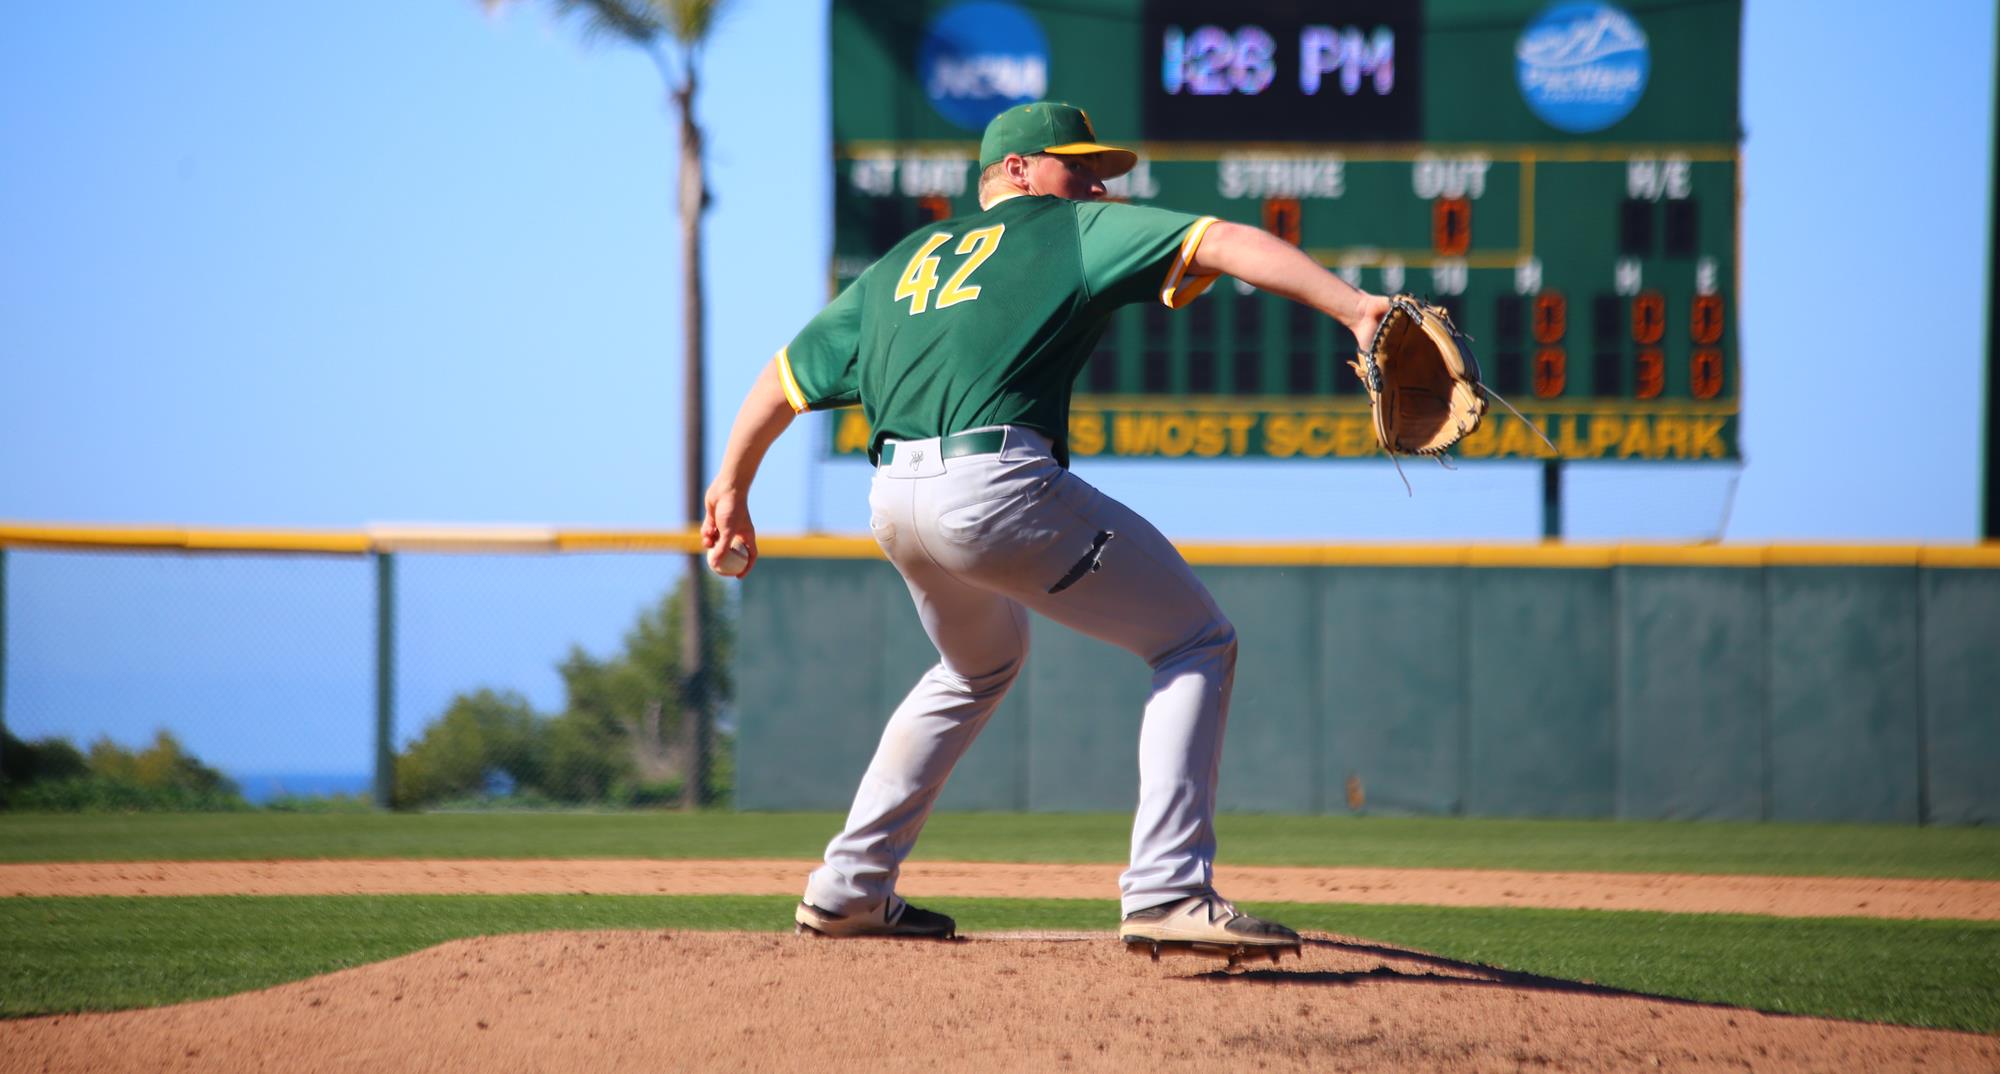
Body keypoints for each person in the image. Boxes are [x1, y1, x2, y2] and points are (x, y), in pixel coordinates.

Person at [701, 101, 1391, 960]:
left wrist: (731, 483)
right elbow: (1225, 241)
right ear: (1018, 171)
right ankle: (1169, 889)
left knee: (976, 663)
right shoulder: (1064, 229)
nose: (1098, 183)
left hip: (894, 500)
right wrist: (1357, 308)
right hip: (991, 487)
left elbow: (783, 375)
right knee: (1195, 640)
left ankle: (849, 890)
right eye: (1079, 165)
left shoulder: (903, 261)